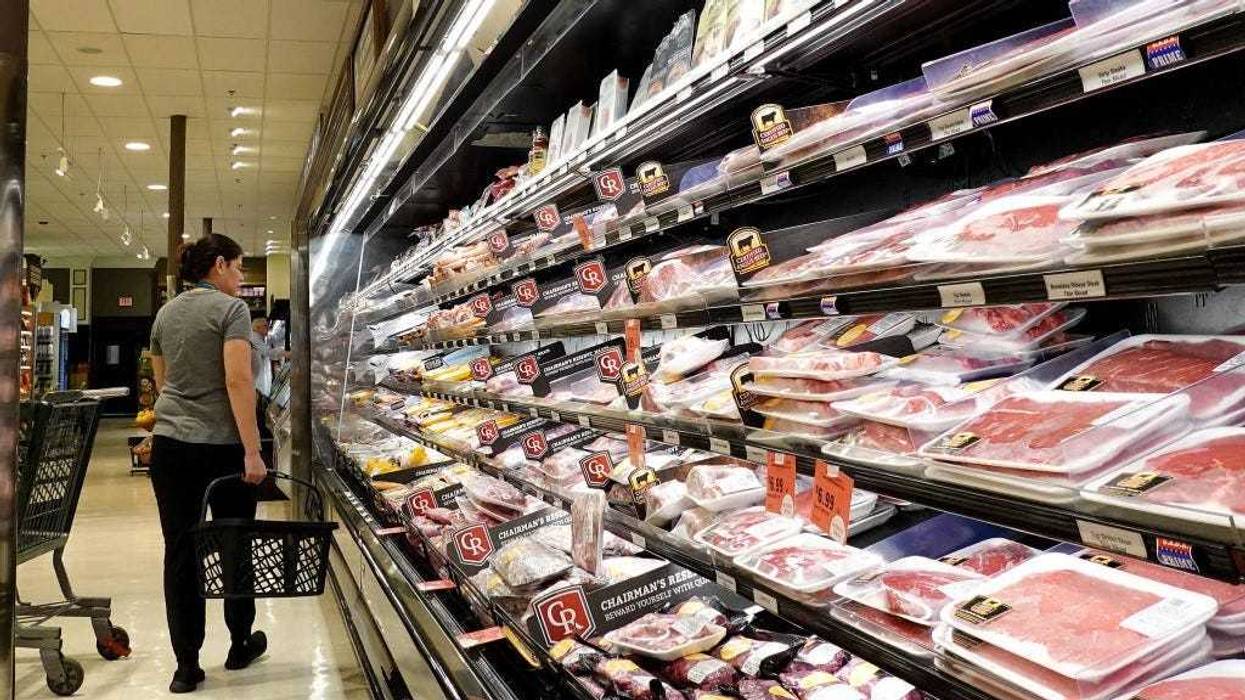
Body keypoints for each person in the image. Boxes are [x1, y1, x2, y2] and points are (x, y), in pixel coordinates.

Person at [149, 233, 268, 693]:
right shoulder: (230, 310)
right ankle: (240, 643)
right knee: (235, 543)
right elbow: (238, 380)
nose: (240, 278)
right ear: (219, 265)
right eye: (238, 268)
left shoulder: (165, 313)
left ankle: (186, 664)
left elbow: (162, 382)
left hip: (172, 446)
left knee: (180, 550)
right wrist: (252, 450)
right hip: (222, 448)